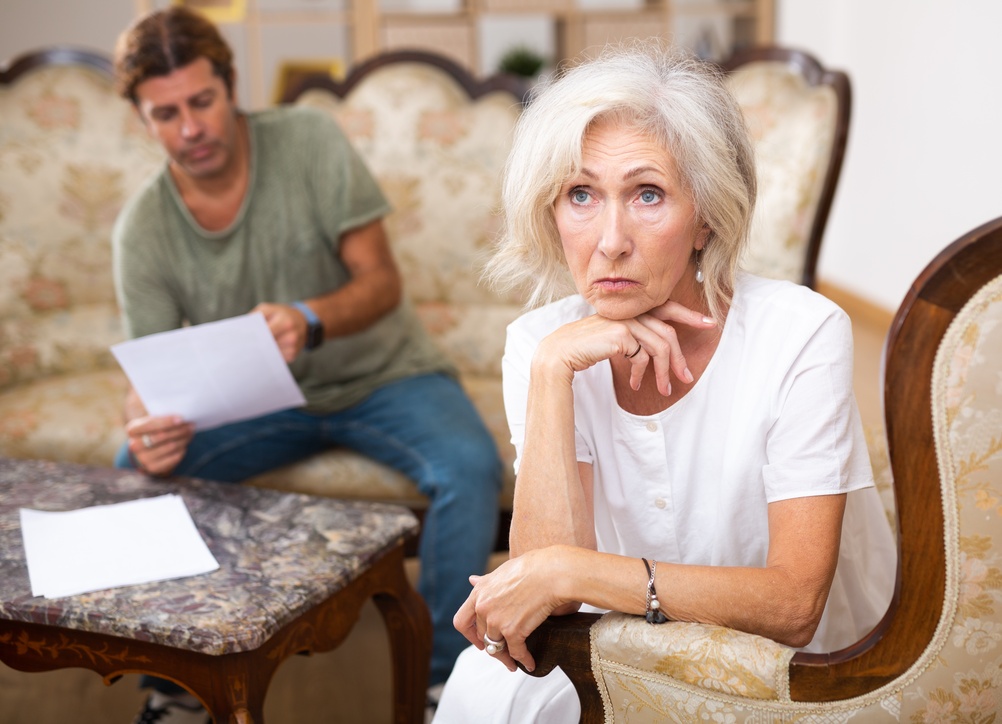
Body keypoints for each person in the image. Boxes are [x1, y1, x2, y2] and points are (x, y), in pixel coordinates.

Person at [434, 41, 895, 722]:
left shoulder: (800, 332)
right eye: (580, 194)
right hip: (622, 643)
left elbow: (795, 606)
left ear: (706, 214)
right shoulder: (541, 345)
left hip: (797, 672)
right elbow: (545, 606)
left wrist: (575, 572)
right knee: (484, 686)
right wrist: (553, 374)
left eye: (647, 194)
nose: (610, 239)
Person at [109, 7, 502, 723]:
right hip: (254, 405)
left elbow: (381, 282)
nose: (190, 128)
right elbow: (151, 384)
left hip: (385, 376)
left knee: (470, 467)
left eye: (202, 102)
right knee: (136, 467)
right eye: (165, 114)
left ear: (231, 89)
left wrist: (309, 318)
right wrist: (146, 427)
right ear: (142, 119)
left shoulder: (311, 141)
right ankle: (175, 686)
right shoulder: (142, 230)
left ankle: (449, 686)